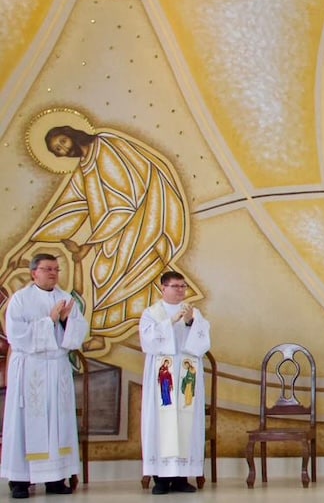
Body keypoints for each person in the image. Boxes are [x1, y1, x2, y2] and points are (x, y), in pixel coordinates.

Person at [1, 123, 192, 353]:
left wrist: (89, 244)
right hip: (112, 230)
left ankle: (104, 334)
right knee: (102, 273)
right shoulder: (85, 165)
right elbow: (69, 207)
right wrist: (29, 244)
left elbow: (125, 201)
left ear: (70, 133)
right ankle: (103, 333)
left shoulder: (104, 146)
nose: (64, 149)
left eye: (62, 142)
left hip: (140, 222)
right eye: (58, 150)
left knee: (109, 272)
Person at [0, 253, 89, 499]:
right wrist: (49, 320)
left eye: (56, 269)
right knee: (25, 422)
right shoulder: (21, 299)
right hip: (31, 368)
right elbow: (17, 335)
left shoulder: (65, 298)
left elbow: (78, 333)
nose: (53, 273)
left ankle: (55, 478)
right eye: (47, 269)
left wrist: (65, 322)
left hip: (57, 368)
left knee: (57, 422)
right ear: (34, 273)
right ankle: (20, 480)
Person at [139, 271, 210, 495]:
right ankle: (161, 479)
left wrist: (189, 323)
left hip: (187, 374)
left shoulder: (193, 312)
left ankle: (181, 477)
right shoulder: (151, 313)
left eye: (183, 286)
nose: (180, 290)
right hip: (163, 373)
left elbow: (202, 342)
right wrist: (170, 322)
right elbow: (148, 342)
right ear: (163, 288)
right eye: (175, 286)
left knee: (185, 421)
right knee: (161, 422)